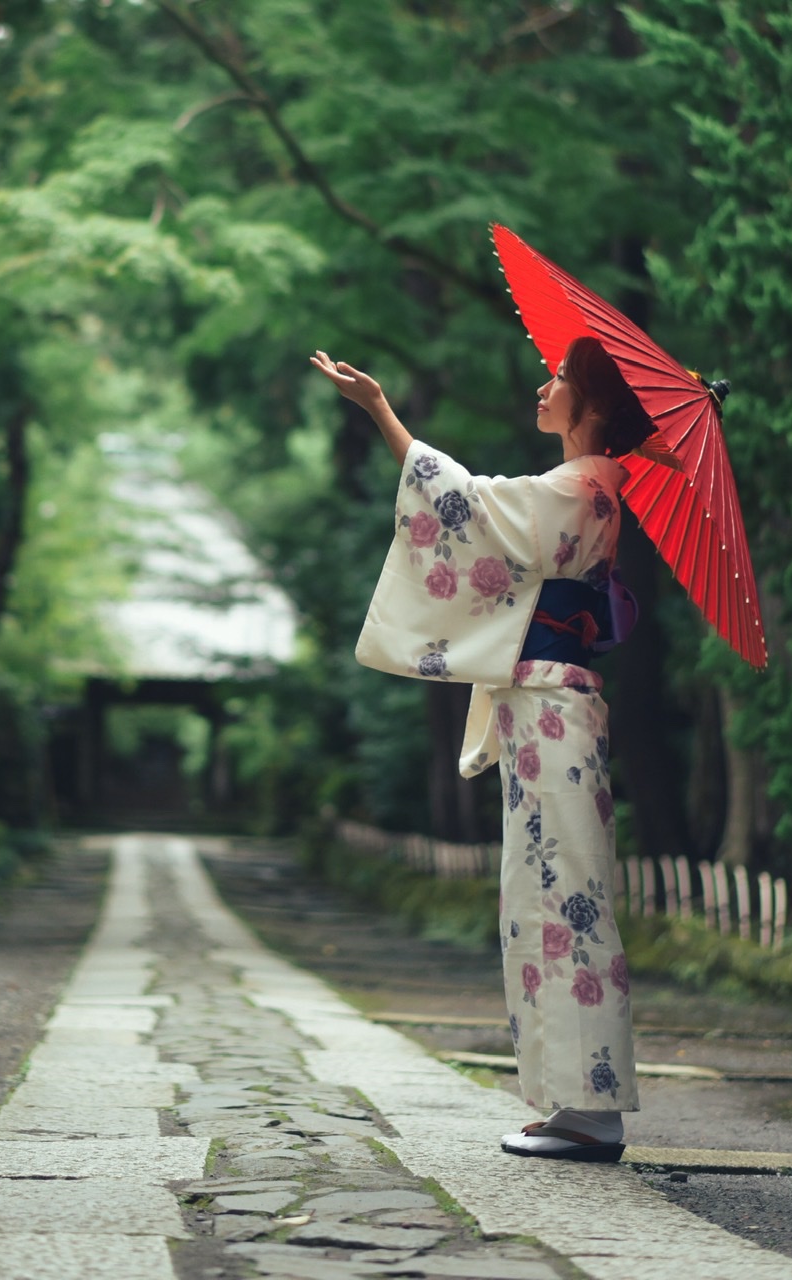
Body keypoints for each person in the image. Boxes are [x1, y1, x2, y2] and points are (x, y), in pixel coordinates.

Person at [311, 337, 654, 1163]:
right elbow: (481, 511)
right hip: (543, 705)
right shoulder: (588, 487)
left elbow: (459, 504)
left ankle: (590, 1109)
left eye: (561, 381)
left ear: (594, 408)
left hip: (549, 706)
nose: (544, 386)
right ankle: (567, 1101)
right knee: (541, 894)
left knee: (562, 895)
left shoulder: (579, 485)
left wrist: (381, 411)